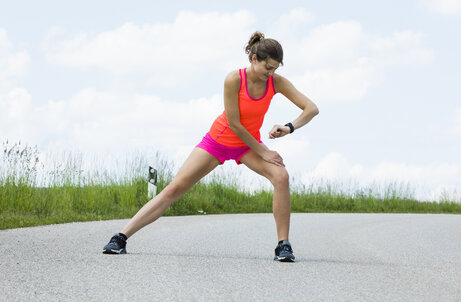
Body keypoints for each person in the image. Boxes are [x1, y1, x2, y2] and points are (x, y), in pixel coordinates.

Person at [103, 31, 319, 262]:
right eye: (268, 67)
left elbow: (311, 108)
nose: (271, 73)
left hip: (247, 145)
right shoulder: (234, 79)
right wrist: (263, 151)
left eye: (275, 68)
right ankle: (121, 237)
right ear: (254, 59)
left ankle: (283, 245)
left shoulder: (275, 82)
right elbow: (234, 124)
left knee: (281, 177)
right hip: (219, 141)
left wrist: (289, 127)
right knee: (174, 189)